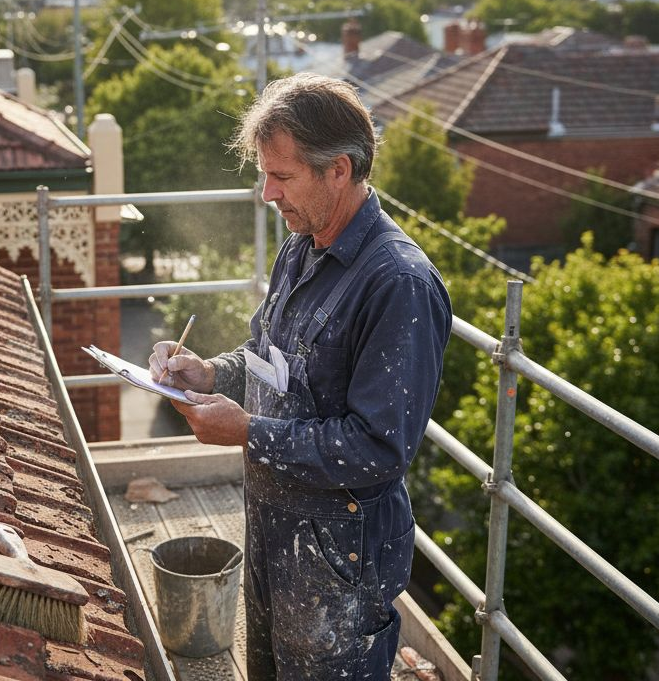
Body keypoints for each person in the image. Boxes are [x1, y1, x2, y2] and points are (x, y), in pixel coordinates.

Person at [149, 73, 452, 679]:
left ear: (338, 170)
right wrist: (210, 374)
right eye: (265, 174)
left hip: (339, 562)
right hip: (274, 530)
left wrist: (248, 434)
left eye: (281, 176)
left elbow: (380, 445)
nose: (267, 193)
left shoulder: (398, 284)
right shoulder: (304, 241)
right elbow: (267, 358)